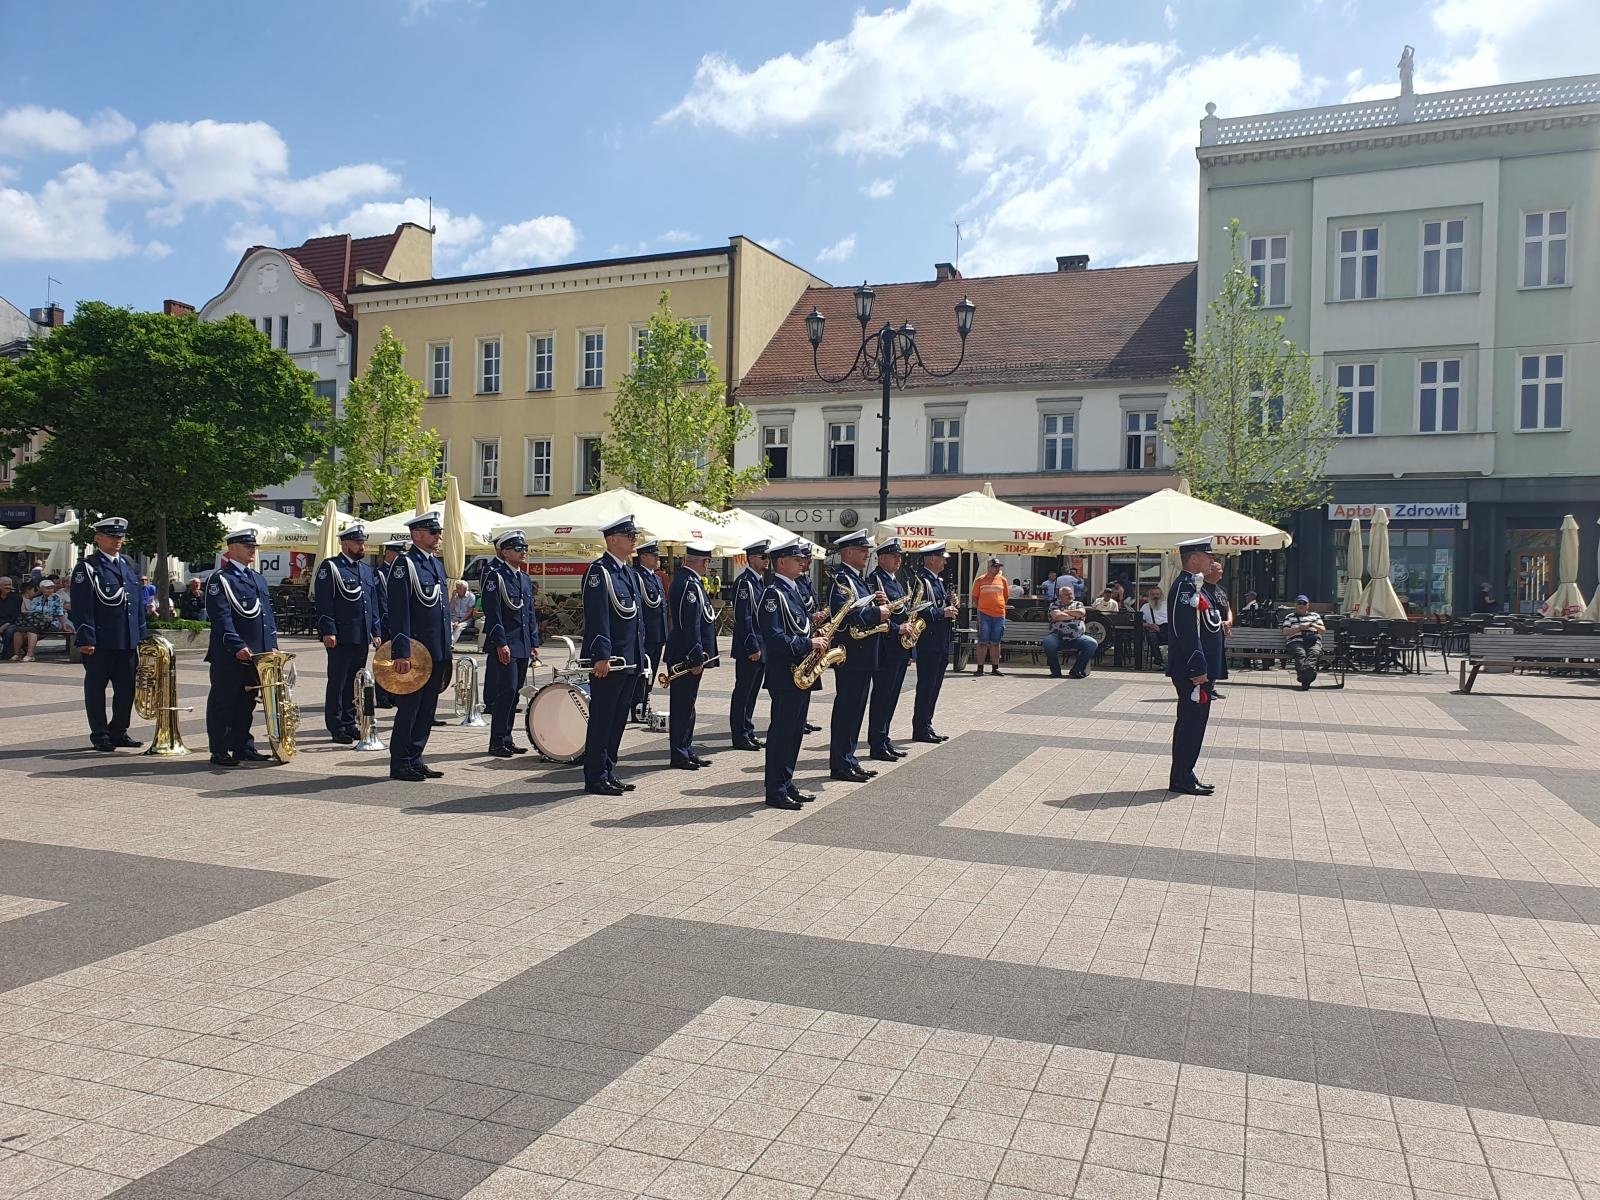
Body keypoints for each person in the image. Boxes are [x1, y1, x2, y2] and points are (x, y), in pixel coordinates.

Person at [760, 539, 827, 810]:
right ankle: (775, 789)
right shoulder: (773, 594)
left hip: (801, 672)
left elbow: (798, 627)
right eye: (795, 558)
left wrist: (816, 634)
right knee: (782, 733)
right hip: (785, 673)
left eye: (801, 558)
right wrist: (808, 644)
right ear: (781, 562)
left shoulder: (793, 590)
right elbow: (774, 638)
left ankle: (787, 782)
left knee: (795, 731)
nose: (802, 562)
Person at [204, 528, 280, 768]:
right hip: (230, 653)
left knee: (246, 703)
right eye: (248, 546)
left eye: (254, 547)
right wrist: (237, 644)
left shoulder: (256, 578)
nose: (252, 551)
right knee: (223, 701)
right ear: (232, 548)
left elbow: (266, 616)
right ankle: (219, 749)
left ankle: (243, 746)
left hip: (256, 654)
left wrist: (272, 646)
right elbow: (221, 617)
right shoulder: (221, 579)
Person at [581, 514, 646, 796]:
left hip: (629, 658)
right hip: (611, 660)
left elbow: (637, 620)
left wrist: (641, 655)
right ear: (612, 540)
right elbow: (598, 617)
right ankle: (595, 776)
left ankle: (609, 770)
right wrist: (601, 655)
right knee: (603, 719)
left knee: (619, 718)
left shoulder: (628, 572)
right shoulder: (599, 571)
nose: (634, 541)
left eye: (634, 536)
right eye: (629, 536)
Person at [69, 518, 145, 749]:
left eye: (120, 536)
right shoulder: (88, 567)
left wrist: (140, 635)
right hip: (101, 640)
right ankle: (100, 734)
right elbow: (83, 606)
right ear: (98, 538)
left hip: (127, 640)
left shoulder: (129, 564)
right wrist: (86, 638)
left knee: (127, 689)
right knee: (96, 688)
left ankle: (118, 730)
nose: (117, 541)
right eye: (112, 536)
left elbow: (137, 604)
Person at [387, 514, 452, 782]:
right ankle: (400, 762)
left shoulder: (434, 564)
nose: (438, 536)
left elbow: (442, 611)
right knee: (410, 709)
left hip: (436, 650)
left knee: (427, 710)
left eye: (438, 532)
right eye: (432, 532)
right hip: (415, 652)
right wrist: (402, 652)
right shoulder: (406, 565)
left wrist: (446, 650)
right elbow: (399, 612)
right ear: (417, 535)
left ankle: (416, 757)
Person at [828, 529, 889, 782]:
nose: (867, 555)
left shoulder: (859, 580)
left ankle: (849, 759)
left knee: (856, 711)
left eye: (867, 550)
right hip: (852, 655)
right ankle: (840, 763)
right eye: (862, 550)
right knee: (847, 710)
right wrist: (878, 613)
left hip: (863, 654)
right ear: (848, 552)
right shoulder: (842, 581)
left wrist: (878, 602)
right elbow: (846, 616)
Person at [314, 523, 381, 745]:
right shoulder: (331, 567)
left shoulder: (366, 570)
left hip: (360, 635)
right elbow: (324, 603)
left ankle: (349, 721)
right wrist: (328, 630)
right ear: (344, 543)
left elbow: (372, 603)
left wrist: (375, 629)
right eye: (357, 542)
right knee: (338, 682)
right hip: (341, 636)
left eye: (362, 542)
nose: (361, 546)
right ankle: (336, 725)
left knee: (355, 682)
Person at [1166, 538, 1223, 796]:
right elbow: (1184, 631)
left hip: (1200, 669)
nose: (1211, 560)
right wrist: (1197, 666)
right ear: (1194, 558)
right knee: (1191, 723)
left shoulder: (1194, 585)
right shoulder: (1185, 587)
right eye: (1206, 556)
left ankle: (1186, 773)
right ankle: (1182, 778)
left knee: (1196, 723)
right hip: (1192, 671)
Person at [481, 529, 540, 757]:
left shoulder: (523, 578)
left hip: (522, 643)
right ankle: (496, 741)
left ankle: (507, 738)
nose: (523, 552)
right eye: (518, 548)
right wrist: (500, 643)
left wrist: (534, 641)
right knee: (505, 692)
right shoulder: (496, 576)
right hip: (506, 644)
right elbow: (493, 613)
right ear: (504, 552)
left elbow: (529, 613)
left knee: (514, 694)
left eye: (524, 548)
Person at [666, 539, 718, 770]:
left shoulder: (690, 582)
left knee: (688, 705)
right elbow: (690, 624)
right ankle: (679, 753)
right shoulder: (687, 584)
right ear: (704, 562)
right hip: (685, 654)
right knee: (681, 706)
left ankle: (686, 749)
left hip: (688, 653)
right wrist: (696, 655)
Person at [866, 539, 910, 762]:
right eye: (893, 556)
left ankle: (884, 739)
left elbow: (902, 611)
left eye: (899, 556)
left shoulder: (897, 581)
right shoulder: (875, 581)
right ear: (881, 558)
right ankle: (877, 742)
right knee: (883, 696)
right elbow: (876, 617)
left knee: (891, 696)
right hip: (885, 647)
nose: (898, 559)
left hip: (899, 647)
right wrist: (898, 628)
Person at [910, 543, 958, 744]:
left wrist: (951, 603)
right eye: (942, 557)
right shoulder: (921, 580)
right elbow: (917, 609)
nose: (945, 561)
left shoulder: (937, 581)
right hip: (928, 642)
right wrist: (943, 612)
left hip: (940, 641)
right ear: (931, 559)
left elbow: (937, 605)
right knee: (927, 686)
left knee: (934, 686)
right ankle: (920, 728)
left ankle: (927, 724)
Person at [729, 538, 770, 751]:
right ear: (751, 558)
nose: (767, 561)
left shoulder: (759, 582)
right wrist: (752, 646)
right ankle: (740, 734)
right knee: (743, 691)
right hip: (750, 648)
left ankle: (748, 729)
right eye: (763, 557)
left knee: (752, 692)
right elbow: (743, 618)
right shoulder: (744, 583)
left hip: (761, 647)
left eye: (768, 557)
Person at [632, 540, 668, 723]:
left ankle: (645, 703)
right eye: (654, 555)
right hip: (645, 635)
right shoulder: (637, 577)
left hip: (658, 634)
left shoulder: (655, 577)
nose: (658, 558)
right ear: (643, 557)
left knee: (651, 672)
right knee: (642, 672)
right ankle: (637, 707)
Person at [373, 539, 406, 709]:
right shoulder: (380, 573)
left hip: (397, 626)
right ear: (389, 553)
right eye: (398, 553)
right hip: (386, 625)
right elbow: (380, 601)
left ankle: (394, 693)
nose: (400, 557)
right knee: (384, 663)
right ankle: (382, 696)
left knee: (397, 662)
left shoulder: (399, 571)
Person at [796, 545, 825, 735]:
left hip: (810, 633)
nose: (808, 563)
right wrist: (812, 617)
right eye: (806, 559)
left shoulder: (805, 580)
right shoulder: (794, 582)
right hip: (802, 636)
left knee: (808, 680)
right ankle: (798, 720)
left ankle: (802, 719)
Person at [1043, 587, 1098, 678]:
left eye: (1071, 593)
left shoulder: (1078, 604)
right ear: (1060, 596)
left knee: (1092, 643)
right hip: (1058, 637)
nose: (1070, 596)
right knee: (1048, 643)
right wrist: (1075, 617)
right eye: (1067, 594)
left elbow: (1081, 613)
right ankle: (1055, 671)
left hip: (1077, 638)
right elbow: (1057, 616)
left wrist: (1065, 612)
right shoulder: (1054, 605)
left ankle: (1077, 670)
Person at [971, 557, 1009, 675]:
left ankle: (995, 668)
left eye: (998, 567)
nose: (997, 569)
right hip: (984, 615)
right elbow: (975, 597)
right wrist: (981, 608)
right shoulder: (980, 580)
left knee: (995, 642)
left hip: (999, 615)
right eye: (995, 566)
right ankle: (980, 668)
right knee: (982, 641)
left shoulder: (1003, 580)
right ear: (989, 567)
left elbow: (1006, 596)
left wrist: (999, 606)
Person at [1282, 595, 1326, 688]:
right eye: (1299, 603)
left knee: (1314, 652)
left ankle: (1303, 676)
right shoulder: (1289, 617)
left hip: (1312, 640)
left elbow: (1323, 630)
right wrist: (1299, 628)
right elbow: (1285, 632)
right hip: (1295, 641)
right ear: (1295, 605)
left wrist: (1311, 624)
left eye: (1304, 603)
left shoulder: (1315, 616)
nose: (1301, 605)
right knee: (1300, 654)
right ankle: (1308, 676)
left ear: (1308, 605)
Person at [1203, 560, 1232, 697]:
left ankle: (1212, 687)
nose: (1221, 572)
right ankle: (1206, 688)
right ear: (1210, 571)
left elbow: (1228, 608)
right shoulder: (1202, 589)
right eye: (1218, 569)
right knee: (1210, 659)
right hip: (1210, 630)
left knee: (1218, 659)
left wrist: (1229, 622)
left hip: (1221, 630)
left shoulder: (1222, 589)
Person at [1139, 586, 1168, 669]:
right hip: (1153, 629)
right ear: (1149, 596)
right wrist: (1149, 625)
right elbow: (1138, 621)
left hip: (1167, 628)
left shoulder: (1167, 605)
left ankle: (1175, 661)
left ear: (1161, 595)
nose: (1155, 596)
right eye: (1153, 594)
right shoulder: (1145, 607)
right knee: (1151, 636)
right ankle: (1159, 662)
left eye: (1157, 594)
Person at [447, 581, 478, 645]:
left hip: (466, 619)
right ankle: (448, 643)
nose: (457, 590)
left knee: (459, 626)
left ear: (465, 589)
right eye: (457, 588)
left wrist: (459, 621)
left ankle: (450, 644)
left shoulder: (471, 596)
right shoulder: (455, 596)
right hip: (454, 617)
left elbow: (469, 613)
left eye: (459, 588)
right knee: (448, 625)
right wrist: (453, 597)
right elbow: (450, 609)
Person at [0, 577, 19, 656]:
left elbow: (16, 614)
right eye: (5, 585)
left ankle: (3, 652)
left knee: (9, 631)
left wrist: (5, 625)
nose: (8, 587)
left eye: (9, 584)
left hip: (11, 622)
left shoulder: (16, 597)